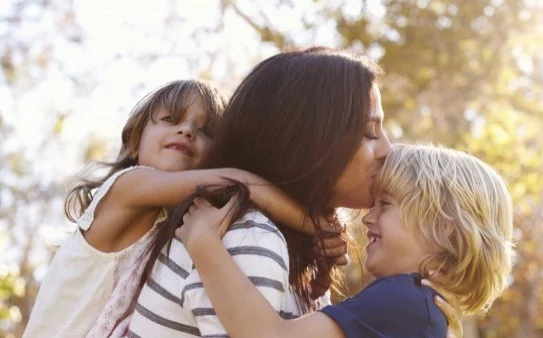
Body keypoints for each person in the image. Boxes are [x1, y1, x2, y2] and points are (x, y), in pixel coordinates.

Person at [126, 47, 462, 338]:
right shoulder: (250, 239)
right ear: (310, 142)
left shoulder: (284, 245)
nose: (387, 149)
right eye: (369, 132)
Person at [23, 79, 341, 338]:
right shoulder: (126, 187)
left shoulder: (172, 226)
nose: (187, 131)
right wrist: (315, 225)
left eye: (205, 131)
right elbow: (238, 181)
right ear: (134, 143)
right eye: (171, 120)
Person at [178, 144, 514, 338]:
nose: (368, 217)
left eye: (386, 205)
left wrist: (204, 244)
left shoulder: (403, 300)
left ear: (444, 230)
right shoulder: (419, 308)